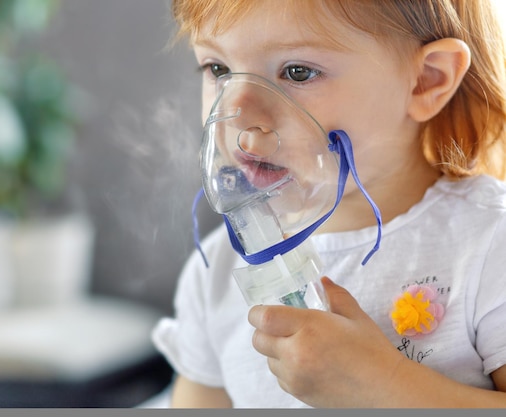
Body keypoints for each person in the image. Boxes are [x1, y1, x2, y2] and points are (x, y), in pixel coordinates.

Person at [152, 0, 506, 408]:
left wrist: (386, 387)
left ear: (426, 80)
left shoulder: (487, 246)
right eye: (219, 69)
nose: (236, 116)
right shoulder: (214, 274)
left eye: (298, 71)